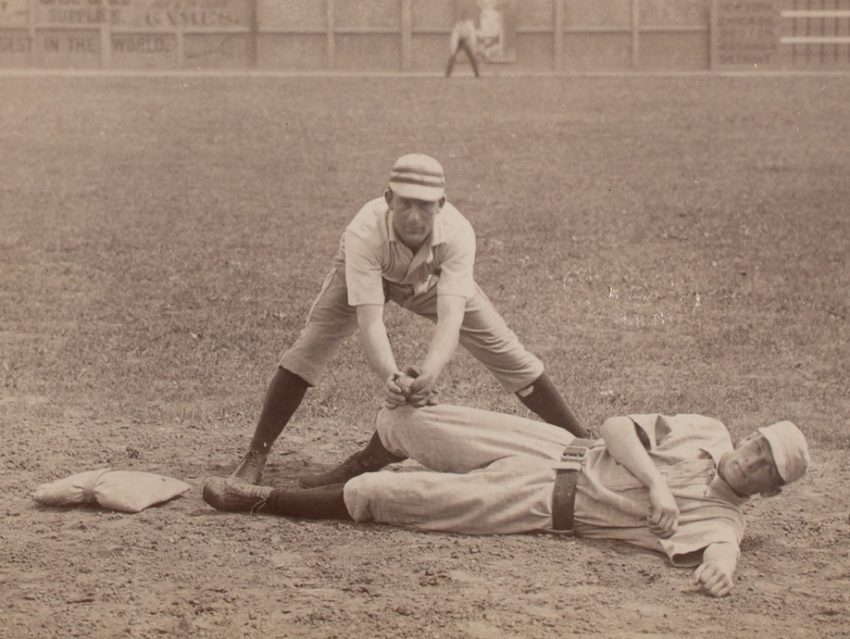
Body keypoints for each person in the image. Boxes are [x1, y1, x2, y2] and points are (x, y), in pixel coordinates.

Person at [228, 153, 587, 490]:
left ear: (441, 205)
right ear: (388, 199)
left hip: (429, 279)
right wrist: (390, 376)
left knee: (508, 352)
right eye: (405, 203)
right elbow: (371, 321)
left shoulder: (458, 233)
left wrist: (429, 372)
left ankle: (584, 443)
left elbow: (451, 319)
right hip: (370, 273)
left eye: (425, 205)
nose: (415, 216)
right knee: (311, 346)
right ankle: (256, 454)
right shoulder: (364, 232)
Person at [204, 401, 810, 598]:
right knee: (411, 419)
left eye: (764, 467)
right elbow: (618, 426)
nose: (750, 457)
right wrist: (653, 482)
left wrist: (719, 572)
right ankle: (364, 452)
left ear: (770, 490)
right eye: (758, 444)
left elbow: (722, 553)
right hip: (555, 445)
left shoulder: (720, 522)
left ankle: (259, 499)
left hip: (538, 500)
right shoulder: (708, 431)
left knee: (384, 495)